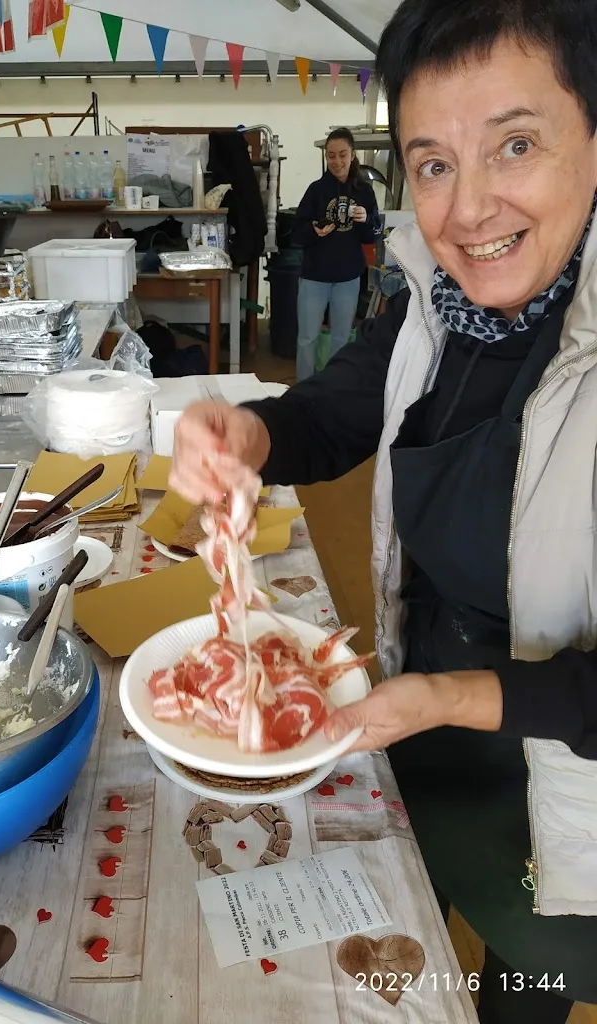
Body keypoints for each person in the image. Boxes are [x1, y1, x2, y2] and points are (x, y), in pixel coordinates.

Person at [169, 0, 597, 1020]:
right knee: (413, 945)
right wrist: (245, 435)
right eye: (434, 163)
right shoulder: (433, 302)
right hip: (423, 713)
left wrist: (452, 699)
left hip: (560, 763)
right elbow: (329, 411)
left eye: (517, 145)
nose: (469, 209)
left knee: (528, 982)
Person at [292, 128, 381, 381]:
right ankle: (303, 392)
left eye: (342, 155)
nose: (337, 161)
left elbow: (371, 234)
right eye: (331, 156)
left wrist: (365, 219)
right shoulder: (316, 190)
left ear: (353, 155)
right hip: (314, 276)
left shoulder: (364, 191)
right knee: (307, 338)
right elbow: (296, 232)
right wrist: (313, 230)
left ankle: (333, 393)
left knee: (341, 340)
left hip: (348, 278)